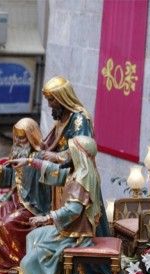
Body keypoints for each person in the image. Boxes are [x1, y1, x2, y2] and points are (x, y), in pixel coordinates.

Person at [12, 136, 103, 274]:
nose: (67, 154)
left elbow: (73, 210)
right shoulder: (76, 171)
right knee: (33, 236)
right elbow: (54, 170)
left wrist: (46, 218)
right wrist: (29, 161)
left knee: (28, 262)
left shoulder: (82, 179)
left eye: (71, 151)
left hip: (75, 236)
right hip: (67, 231)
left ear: (78, 154)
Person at [41, 75, 111, 244]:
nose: (49, 104)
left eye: (52, 100)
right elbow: (51, 143)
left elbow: (82, 149)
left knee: (77, 221)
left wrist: (55, 156)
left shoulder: (79, 119)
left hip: (79, 179)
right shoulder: (60, 116)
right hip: (62, 177)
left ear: (62, 98)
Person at [0, 118, 51, 274]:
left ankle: (17, 263)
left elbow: (49, 183)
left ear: (31, 136)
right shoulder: (16, 151)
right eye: (17, 137)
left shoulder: (40, 157)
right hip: (15, 201)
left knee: (9, 223)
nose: (19, 141)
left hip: (33, 205)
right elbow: (10, 175)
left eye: (23, 138)